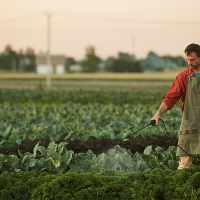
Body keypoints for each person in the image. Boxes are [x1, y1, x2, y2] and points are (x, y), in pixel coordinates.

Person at [151, 43, 200, 169]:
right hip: (191, 123)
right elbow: (170, 98)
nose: (190, 62)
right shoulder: (183, 77)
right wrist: (158, 114)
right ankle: (181, 186)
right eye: (187, 60)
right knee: (184, 164)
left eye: (193, 60)